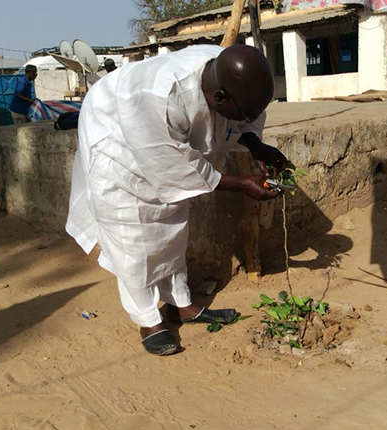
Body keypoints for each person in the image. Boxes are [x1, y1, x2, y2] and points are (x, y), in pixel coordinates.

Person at [66, 44, 287, 356]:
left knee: (172, 228)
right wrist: (241, 184)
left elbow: (239, 123)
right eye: (245, 113)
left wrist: (256, 146)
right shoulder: (156, 95)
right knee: (133, 240)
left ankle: (180, 305)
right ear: (220, 98)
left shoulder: (227, 69)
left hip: (159, 146)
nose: (248, 119)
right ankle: (147, 320)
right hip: (117, 145)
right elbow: (174, 165)